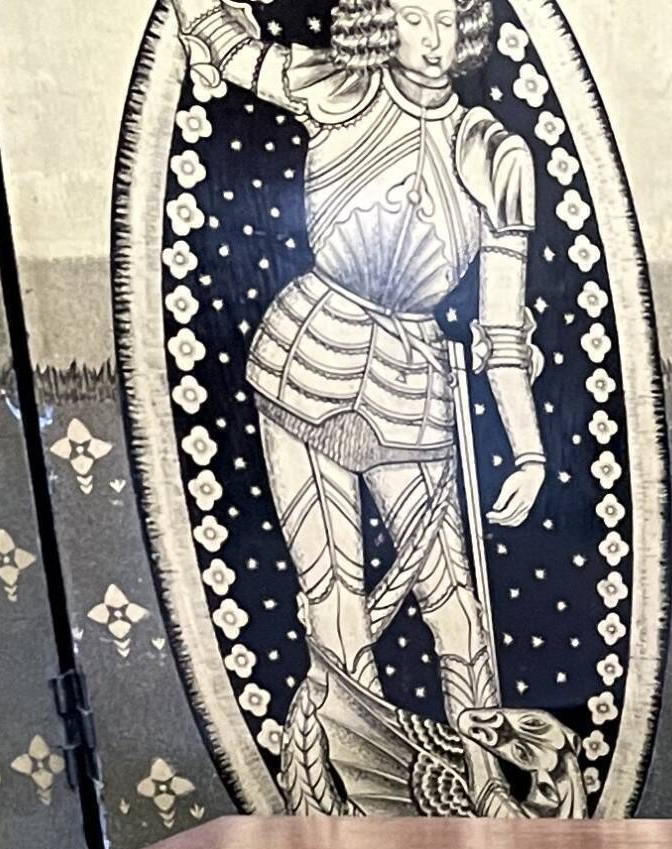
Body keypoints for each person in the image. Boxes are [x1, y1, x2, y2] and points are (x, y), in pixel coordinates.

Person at [183, 0, 548, 772]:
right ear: (382, 21)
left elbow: (502, 333)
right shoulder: (337, 88)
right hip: (302, 358)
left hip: (412, 383)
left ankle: (489, 800)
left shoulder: (495, 153)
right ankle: (354, 813)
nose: (433, 39)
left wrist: (530, 453)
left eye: (448, 21)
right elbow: (238, 51)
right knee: (333, 599)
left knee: (453, 603)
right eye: (414, 18)